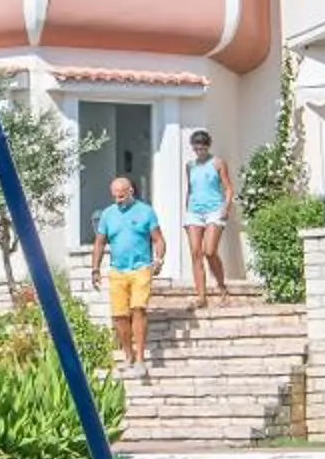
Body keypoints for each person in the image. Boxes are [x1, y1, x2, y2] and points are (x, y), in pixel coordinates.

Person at [89, 173, 166, 371]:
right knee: (120, 316)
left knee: (138, 309)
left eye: (121, 196)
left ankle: (140, 358)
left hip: (141, 267)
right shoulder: (107, 214)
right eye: (114, 196)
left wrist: (159, 259)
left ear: (131, 191)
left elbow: (158, 239)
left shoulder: (146, 212)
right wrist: (95, 269)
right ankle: (128, 354)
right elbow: (99, 243)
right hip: (117, 270)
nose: (118, 200)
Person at [182, 129, 233, 301]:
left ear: (208, 146)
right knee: (196, 253)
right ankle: (201, 296)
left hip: (214, 210)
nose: (199, 152)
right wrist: (187, 210)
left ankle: (221, 284)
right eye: (196, 149)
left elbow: (228, 188)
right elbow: (190, 189)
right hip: (194, 212)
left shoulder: (218, 163)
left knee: (209, 251)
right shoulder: (190, 166)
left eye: (202, 148)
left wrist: (226, 207)